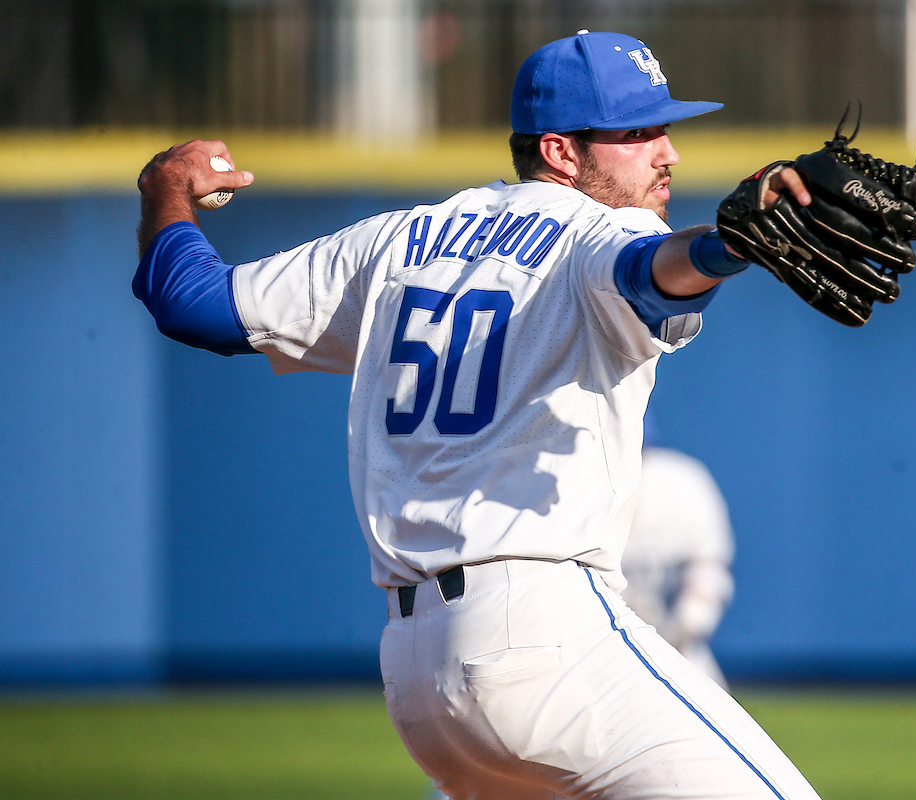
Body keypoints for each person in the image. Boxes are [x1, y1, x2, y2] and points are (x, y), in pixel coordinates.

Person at [133, 29, 820, 800]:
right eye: (636, 133)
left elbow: (193, 305)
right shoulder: (603, 230)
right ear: (561, 153)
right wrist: (726, 247)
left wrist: (166, 190)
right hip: (547, 637)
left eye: (665, 128)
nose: (668, 152)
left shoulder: (393, 243)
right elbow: (650, 274)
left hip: (418, 677)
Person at [623, 444, 735, 688]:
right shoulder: (567, 487)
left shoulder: (682, 481)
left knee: (708, 721)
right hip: (596, 653)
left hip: (677, 647)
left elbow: (709, 566)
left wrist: (693, 618)